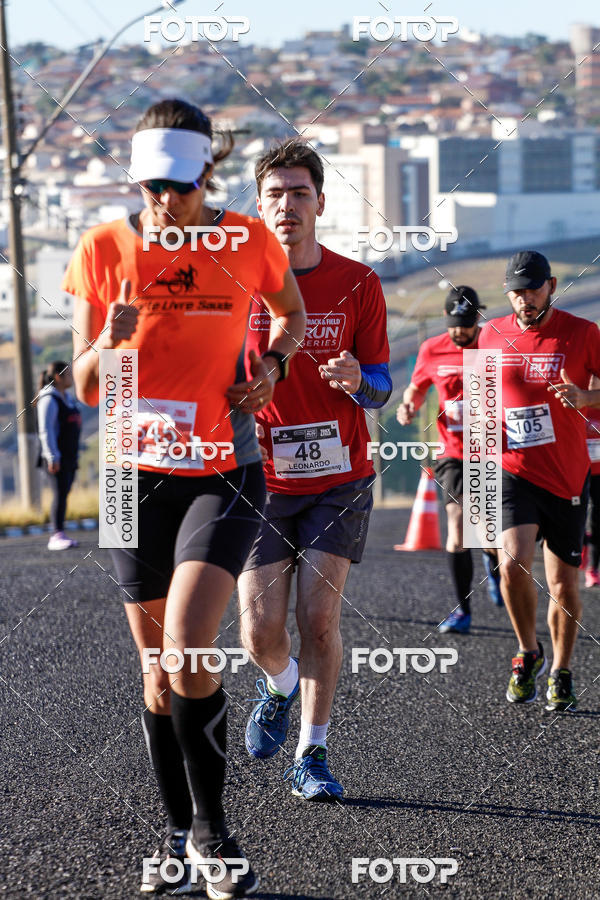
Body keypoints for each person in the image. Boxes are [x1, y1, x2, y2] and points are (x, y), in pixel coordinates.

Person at [65, 99, 306, 897]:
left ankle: (214, 833)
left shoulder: (247, 241)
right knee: (157, 675)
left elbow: (292, 315)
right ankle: (177, 835)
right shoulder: (103, 249)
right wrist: (109, 341)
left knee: (190, 648)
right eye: (150, 187)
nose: (164, 201)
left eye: (179, 185)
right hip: (129, 478)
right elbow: (85, 384)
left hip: (221, 469)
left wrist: (270, 368)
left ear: (207, 172)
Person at [237, 139, 391, 801]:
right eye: (274, 194)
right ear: (259, 206)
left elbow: (382, 385)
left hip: (340, 477)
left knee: (318, 619)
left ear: (321, 203)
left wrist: (360, 380)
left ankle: (312, 752)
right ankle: (279, 684)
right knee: (259, 632)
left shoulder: (359, 282)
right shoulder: (236, 284)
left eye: (300, 193)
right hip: (260, 479)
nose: (287, 205)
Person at [478, 250, 600, 711]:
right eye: (516, 291)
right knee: (511, 563)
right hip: (512, 472)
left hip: (566, 477)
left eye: (532, 289)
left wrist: (586, 396)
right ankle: (528, 651)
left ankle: (561, 670)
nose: (524, 299)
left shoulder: (582, 332)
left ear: (551, 286)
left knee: (564, 586)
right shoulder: (491, 334)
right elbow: (482, 407)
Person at [397, 287, 502, 636]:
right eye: (454, 324)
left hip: (491, 450)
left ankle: (493, 561)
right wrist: (409, 406)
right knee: (458, 527)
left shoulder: (494, 345)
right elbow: (416, 387)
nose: (460, 331)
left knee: (486, 531)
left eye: (467, 324)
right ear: (446, 319)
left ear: (478, 318)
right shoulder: (432, 348)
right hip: (452, 452)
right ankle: (463, 611)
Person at [36, 360, 81, 550]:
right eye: (68, 374)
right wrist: (52, 457)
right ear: (58, 377)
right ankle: (56, 535)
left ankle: (60, 532)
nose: (72, 378)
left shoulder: (67, 398)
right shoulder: (49, 399)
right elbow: (46, 430)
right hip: (56, 458)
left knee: (64, 493)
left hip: (69, 456)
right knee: (60, 494)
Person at [583, 378, 600, 587]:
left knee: (597, 519)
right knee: (572, 515)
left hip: (599, 472)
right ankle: (581, 542)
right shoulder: (577, 402)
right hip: (576, 470)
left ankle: (593, 567)